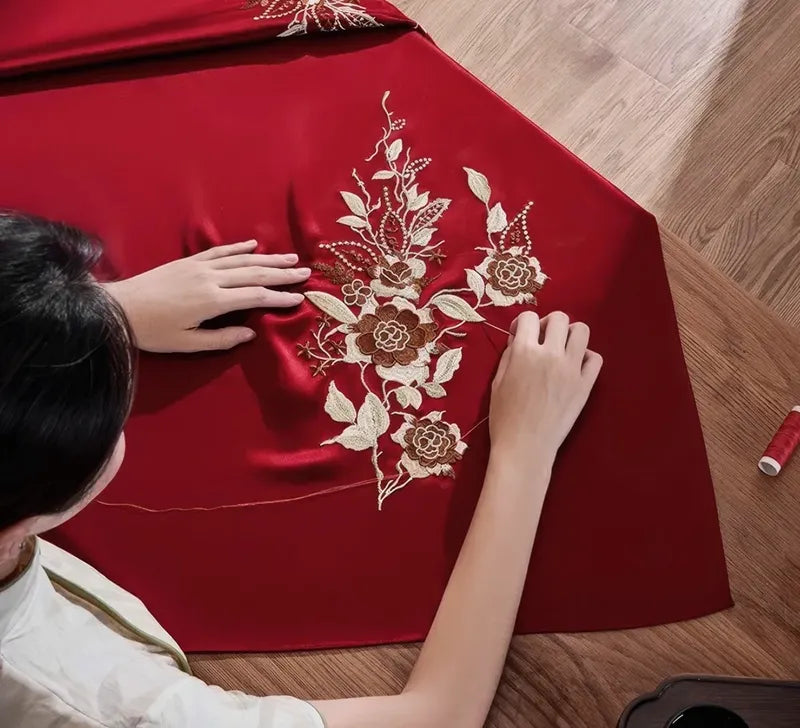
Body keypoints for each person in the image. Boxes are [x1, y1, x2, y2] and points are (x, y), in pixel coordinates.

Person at [0, 212, 602, 728]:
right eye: (116, 419)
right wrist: (524, 453)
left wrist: (88, 317)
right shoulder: (95, 701)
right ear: (24, 521)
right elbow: (435, 716)